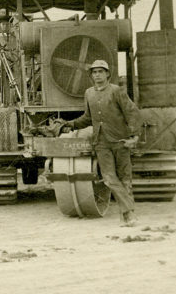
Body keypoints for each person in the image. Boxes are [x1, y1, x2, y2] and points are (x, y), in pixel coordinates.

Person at [58, 60, 142, 226]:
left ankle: (126, 216)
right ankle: (129, 212)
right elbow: (88, 118)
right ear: (91, 75)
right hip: (101, 142)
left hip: (120, 141)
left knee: (125, 178)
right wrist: (70, 124)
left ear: (107, 74)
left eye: (100, 72)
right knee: (110, 179)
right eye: (94, 72)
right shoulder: (89, 93)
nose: (97, 75)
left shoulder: (117, 91)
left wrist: (134, 136)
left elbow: (132, 112)